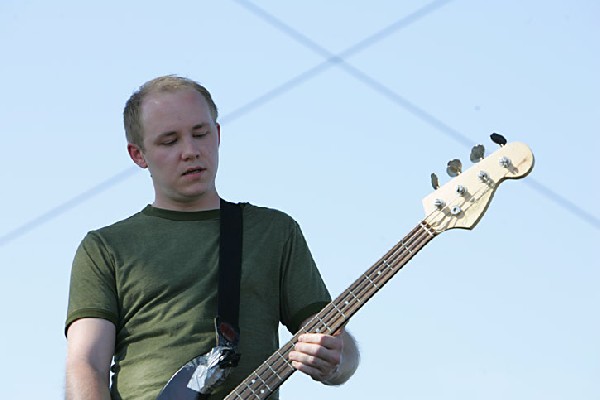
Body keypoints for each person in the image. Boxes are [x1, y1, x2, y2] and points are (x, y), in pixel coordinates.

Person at [65, 75, 360, 400]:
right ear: (138, 154)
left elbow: (337, 344)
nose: (190, 151)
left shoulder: (274, 231)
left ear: (217, 135)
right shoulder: (105, 248)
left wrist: (335, 363)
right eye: (169, 141)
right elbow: (86, 364)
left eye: (200, 133)